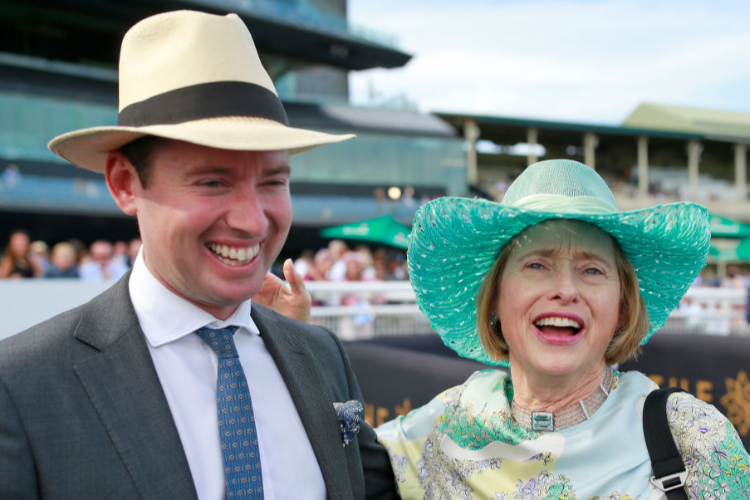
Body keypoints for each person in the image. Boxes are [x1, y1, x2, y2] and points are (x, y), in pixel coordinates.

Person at [0, 11, 396, 500]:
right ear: (125, 184)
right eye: (213, 182)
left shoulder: (319, 354)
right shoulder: (20, 388)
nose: (253, 220)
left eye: (273, 181)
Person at [377, 160, 750, 499]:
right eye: (537, 265)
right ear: (493, 298)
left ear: (622, 307)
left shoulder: (691, 436)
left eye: (592, 270)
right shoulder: (442, 427)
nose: (567, 291)